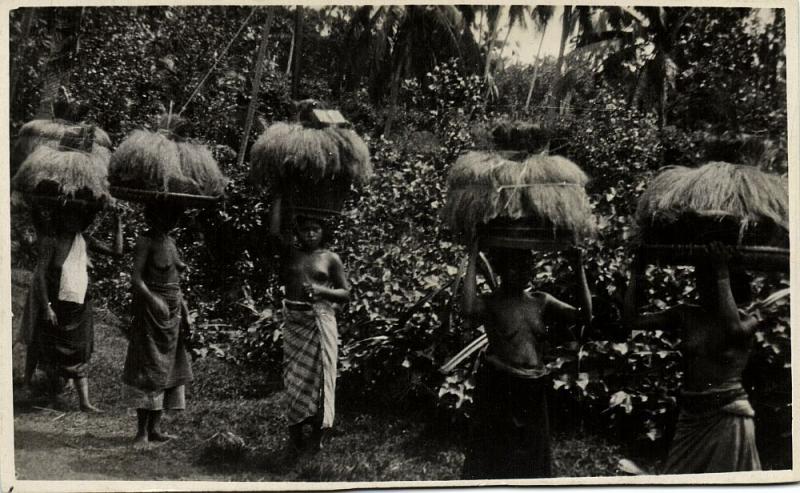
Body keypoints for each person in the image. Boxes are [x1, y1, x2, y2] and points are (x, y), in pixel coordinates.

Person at [623, 242, 761, 473]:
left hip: (728, 414)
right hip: (692, 417)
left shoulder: (749, 320)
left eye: (708, 278)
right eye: (701, 277)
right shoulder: (687, 314)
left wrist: (721, 271)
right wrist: (636, 273)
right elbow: (632, 321)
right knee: (678, 481)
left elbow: (731, 330)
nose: (701, 284)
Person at [460, 242, 592, 479]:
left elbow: (585, 316)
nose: (522, 273)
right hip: (502, 385)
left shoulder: (541, 300)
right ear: (500, 270)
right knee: (496, 455)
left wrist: (578, 265)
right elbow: (468, 308)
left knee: (533, 455)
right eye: (515, 267)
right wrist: (472, 254)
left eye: (526, 267)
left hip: (533, 387)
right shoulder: (492, 302)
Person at [268, 194, 351, 457]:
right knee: (293, 380)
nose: (311, 234)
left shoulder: (330, 259)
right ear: (298, 231)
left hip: (319, 322)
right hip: (295, 323)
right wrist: (280, 194)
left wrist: (320, 290)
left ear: (323, 231)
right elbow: (273, 232)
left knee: (318, 381)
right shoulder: (291, 253)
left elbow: (345, 293)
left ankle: (316, 438)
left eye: (316, 229)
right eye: (305, 229)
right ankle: (295, 438)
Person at [34, 204, 123, 411]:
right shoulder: (52, 242)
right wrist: (47, 307)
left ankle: (85, 401)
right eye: (68, 215)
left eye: (77, 216)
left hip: (80, 306)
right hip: (57, 306)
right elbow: (40, 276)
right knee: (52, 350)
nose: (72, 221)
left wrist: (118, 221)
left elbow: (117, 252)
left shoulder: (85, 241)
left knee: (80, 349)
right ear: (61, 217)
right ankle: (53, 397)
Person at [122, 204, 194, 446]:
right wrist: (154, 300)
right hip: (151, 312)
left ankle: (155, 428)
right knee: (148, 368)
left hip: (172, 312)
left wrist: (185, 312)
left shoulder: (170, 241)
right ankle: (141, 432)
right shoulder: (145, 241)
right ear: (152, 216)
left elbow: (176, 282)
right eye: (163, 215)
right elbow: (136, 279)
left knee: (167, 369)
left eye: (172, 217)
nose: (168, 222)